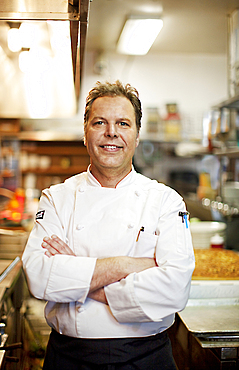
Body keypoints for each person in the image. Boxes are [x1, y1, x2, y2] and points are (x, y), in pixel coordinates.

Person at [22, 80, 195, 370]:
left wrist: (75, 273)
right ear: (85, 134)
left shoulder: (166, 201)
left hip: (146, 358)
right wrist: (128, 265)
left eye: (123, 123)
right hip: (69, 358)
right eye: (99, 122)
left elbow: (174, 289)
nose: (111, 132)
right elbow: (39, 276)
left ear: (137, 136)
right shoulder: (56, 198)